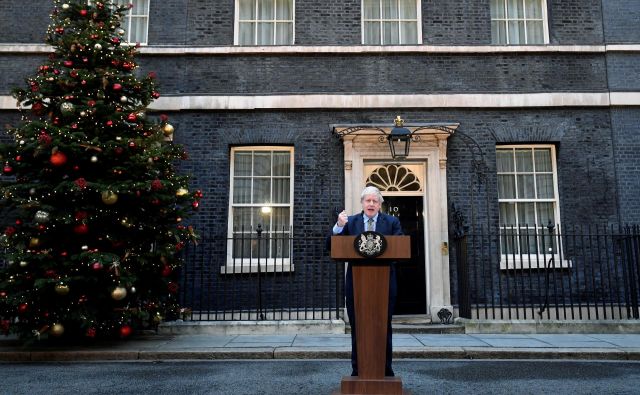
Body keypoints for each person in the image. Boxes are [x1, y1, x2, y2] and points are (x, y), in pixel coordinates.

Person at [331, 186, 403, 377]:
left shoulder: (392, 222)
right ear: (362, 203)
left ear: (380, 204)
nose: (371, 204)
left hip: (385, 284)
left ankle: (386, 370)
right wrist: (338, 226)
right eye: (368, 201)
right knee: (357, 326)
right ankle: (358, 369)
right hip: (356, 284)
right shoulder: (350, 222)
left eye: (375, 201)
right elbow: (331, 245)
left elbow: (401, 246)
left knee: (384, 326)